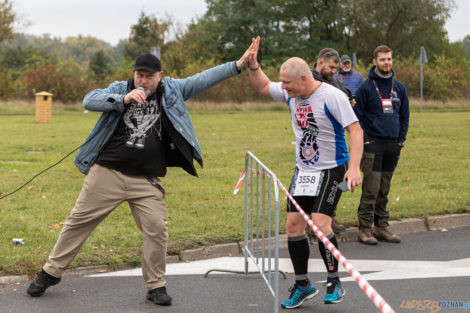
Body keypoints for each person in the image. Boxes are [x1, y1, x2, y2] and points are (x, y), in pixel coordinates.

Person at [26, 46, 254, 305]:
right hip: (107, 173)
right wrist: (122, 100)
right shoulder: (120, 88)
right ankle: (50, 273)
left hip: (145, 180)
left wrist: (237, 64)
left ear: (160, 76)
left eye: (149, 76)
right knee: (78, 222)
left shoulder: (173, 91)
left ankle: (155, 286)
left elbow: (203, 79)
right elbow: (89, 99)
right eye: (139, 75)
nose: (143, 81)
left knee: (157, 229)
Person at [247, 37, 363, 308]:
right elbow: (263, 86)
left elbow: (355, 130)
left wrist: (355, 168)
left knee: (322, 225)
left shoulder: (332, 96)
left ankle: (334, 281)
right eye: (282, 83)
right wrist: (254, 65)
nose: (283, 88)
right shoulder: (291, 93)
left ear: (303, 78)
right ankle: (303, 284)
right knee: (293, 226)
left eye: (287, 83)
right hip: (305, 170)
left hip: (333, 168)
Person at [354, 45, 409, 245]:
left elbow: (404, 116)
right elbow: (356, 117)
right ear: (374, 62)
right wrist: (366, 139)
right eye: (382, 59)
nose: (387, 62)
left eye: (389, 59)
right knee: (371, 188)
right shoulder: (366, 88)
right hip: (372, 146)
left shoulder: (399, 87)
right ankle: (365, 229)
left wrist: (400, 139)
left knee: (384, 189)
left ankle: (382, 227)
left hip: (392, 146)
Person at [311, 48, 353, 234]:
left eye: (336, 68)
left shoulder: (333, 80)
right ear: (320, 62)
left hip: (336, 138)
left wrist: (349, 99)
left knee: (339, 183)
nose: (334, 71)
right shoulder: (309, 80)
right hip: (316, 139)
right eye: (331, 67)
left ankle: (330, 216)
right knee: (316, 182)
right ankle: (314, 219)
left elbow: (343, 93)